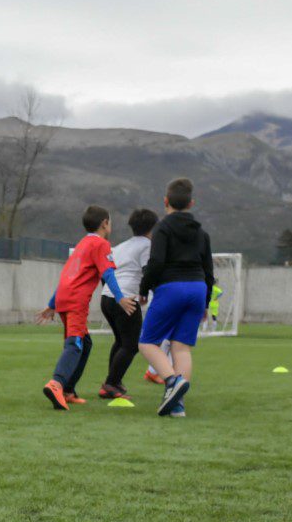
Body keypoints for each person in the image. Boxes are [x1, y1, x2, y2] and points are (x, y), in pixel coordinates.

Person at [38, 206, 132, 409]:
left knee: (85, 343)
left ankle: (69, 390)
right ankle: (57, 384)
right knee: (75, 344)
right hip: (75, 301)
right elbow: (108, 274)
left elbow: (68, 275)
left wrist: (52, 304)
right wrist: (120, 298)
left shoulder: (82, 244)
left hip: (64, 298)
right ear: (105, 223)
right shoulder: (101, 244)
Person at [137, 177, 216, 418]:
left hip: (171, 287)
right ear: (191, 203)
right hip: (197, 289)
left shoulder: (162, 228)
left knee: (147, 342)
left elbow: (157, 262)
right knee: (181, 348)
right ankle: (178, 405)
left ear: (165, 201)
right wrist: (204, 302)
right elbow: (209, 272)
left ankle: (172, 382)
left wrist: (144, 288)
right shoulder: (202, 234)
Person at [97, 208, 157, 398]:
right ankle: (111, 383)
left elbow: (105, 271)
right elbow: (148, 271)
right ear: (152, 228)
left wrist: (108, 291)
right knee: (131, 345)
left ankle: (112, 382)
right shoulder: (147, 246)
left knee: (121, 341)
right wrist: (144, 293)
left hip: (107, 297)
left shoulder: (121, 246)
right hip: (126, 298)